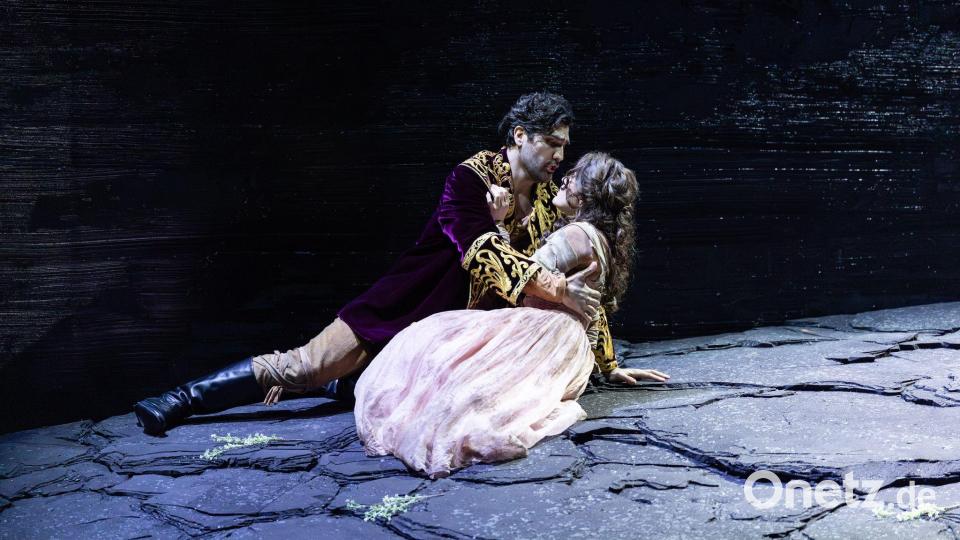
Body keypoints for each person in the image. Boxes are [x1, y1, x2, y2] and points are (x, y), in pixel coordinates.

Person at [133, 92, 607, 435]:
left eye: (565, 146)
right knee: (305, 367)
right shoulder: (470, 179)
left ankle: (342, 386)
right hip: (405, 306)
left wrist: (606, 357)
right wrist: (551, 282)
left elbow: (570, 268)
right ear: (520, 136)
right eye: (552, 142)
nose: (560, 156)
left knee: (421, 403)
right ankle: (180, 399)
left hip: (451, 337)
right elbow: (482, 252)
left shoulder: (548, 199)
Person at [354, 152, 670, 479]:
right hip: (569, 348)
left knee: (441, 356)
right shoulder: (598, 239)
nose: (563, 178)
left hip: (542, 335)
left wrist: (498, 223)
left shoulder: (574, 235)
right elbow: (595, 311)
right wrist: (609, 366)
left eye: (573, 176)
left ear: (587, 194)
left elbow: (525, 277)